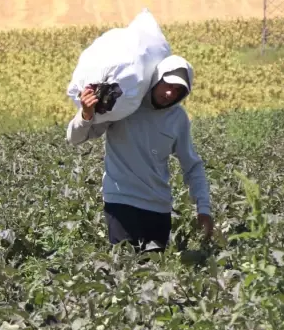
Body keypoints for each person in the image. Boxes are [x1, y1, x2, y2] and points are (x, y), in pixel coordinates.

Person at [66, 55, 212, 251]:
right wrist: (85, 115)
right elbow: (75, 138)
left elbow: (192, 166)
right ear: (157, 79)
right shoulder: (125, 104)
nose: (170, 93)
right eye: (167, 85)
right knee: (126, 271)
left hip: (159, 207)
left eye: (178, 91)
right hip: (121, 202)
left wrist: (204, 209)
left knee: (154, 275)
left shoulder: (178, 119)